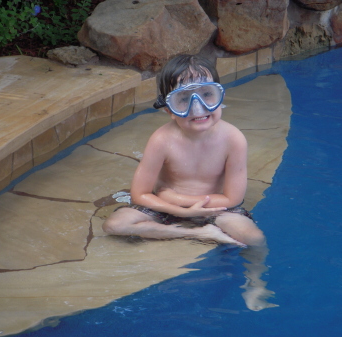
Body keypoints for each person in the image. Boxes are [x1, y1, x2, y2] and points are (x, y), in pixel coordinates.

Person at [103, 54, 277, 311]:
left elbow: (233, 199)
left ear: (220, 96)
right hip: (166, 207)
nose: (198, 109)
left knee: (254, 237)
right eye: (183, 99)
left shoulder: (233, 139)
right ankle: (196, 234)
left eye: (207, 95)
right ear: (168, 109)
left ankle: (256, 282)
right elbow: (139, 193)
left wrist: (177, 199)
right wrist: (176, 210)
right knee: (115, 224)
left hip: (215, 207)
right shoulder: (162, 140)